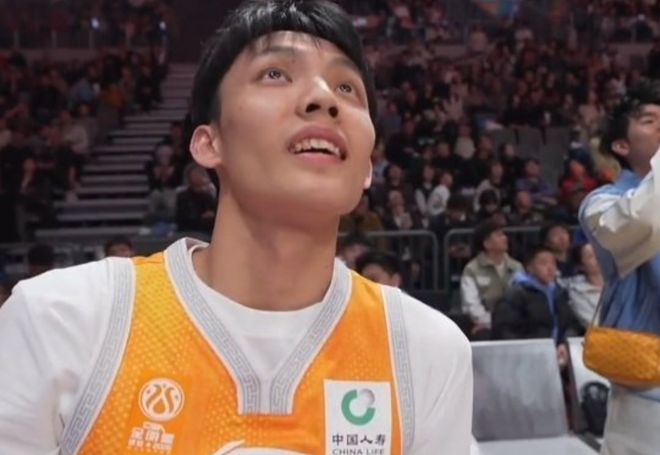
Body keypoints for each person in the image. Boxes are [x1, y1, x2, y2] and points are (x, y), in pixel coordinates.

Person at [0, 1, 472, 453]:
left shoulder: (425, 350)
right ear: (209, 143)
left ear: (366, 167)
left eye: (347, 88)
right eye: (276, 74)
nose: (324, 98)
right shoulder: (63, 320)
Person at [579, 79, 660, 454]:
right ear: (621, 146)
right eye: (649, 120)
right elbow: (644, 221)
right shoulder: (602, 204)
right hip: (646, 389)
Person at [491, 245, 582, 367]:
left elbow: (571, 324)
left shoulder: (559, 292)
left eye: (553, 263)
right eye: (543, 263)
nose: (550, 268)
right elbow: (504, 330)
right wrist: (531, 351)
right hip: (527, 359)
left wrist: (565, 344)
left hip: (558, 356)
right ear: (530, 268)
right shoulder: (516, 294)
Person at [460, 220, 523, 339]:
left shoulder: (516, 267)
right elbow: (471, 306)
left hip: (514, 321)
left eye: (504, 234)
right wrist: (494, 322)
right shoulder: (471, 269)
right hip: (486, 324)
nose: (505, 238)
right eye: (499, 235)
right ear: (486, 244)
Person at [560, 243, 603, 329]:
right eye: (590, 256)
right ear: (581, 266)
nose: (598, 258)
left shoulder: (618, 283)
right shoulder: (576, 293)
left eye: (598, 253)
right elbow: (593, 324)